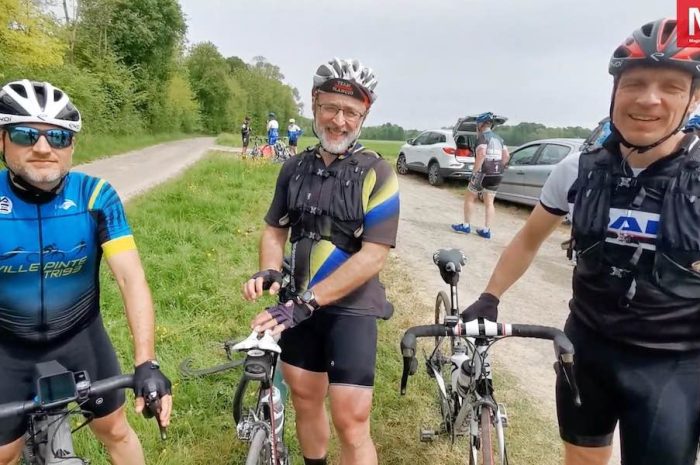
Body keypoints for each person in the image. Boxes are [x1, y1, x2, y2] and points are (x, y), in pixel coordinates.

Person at [461, 18, 700, 465]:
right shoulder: (577, 170)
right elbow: (529, 240)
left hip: (674, 366)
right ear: (615, 92)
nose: (649, 98)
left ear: (694, 98)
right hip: (587, 350)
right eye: (635, 83)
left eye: (671, 86)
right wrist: (490, 295)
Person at [0, 80, 172, 465]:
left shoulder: (96, 196)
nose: (43, 148)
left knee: (116, 431)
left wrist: (147, 362)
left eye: (58, 138)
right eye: (26, 134)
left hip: (79, 336)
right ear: (2, 140)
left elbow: (131, 279)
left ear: (72, 147)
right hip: (7, 347)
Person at [242, 58, 399, 465]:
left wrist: (307, 302)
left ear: (364, 116)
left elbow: (374, 255)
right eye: (331, 108)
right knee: (306, 399)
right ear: (314, 105)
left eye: (352, 113)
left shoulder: (378, 173)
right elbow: (275, 228)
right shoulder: (294, 168)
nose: (340, 121)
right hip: (296, 308)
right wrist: (271, 268)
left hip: (350, 308)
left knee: (352, 418)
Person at [451, 112, 509, 239]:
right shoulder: (499, 139)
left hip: (483, 172)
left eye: (477, 124)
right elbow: (506, 157)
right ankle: (486, 230)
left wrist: (474, 173)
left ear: (481, 125)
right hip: (497, 173)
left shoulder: (482, 138)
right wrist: (500, 167)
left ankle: (466, 226)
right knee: (490, 202)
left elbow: (482, 154)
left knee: (470, 197)